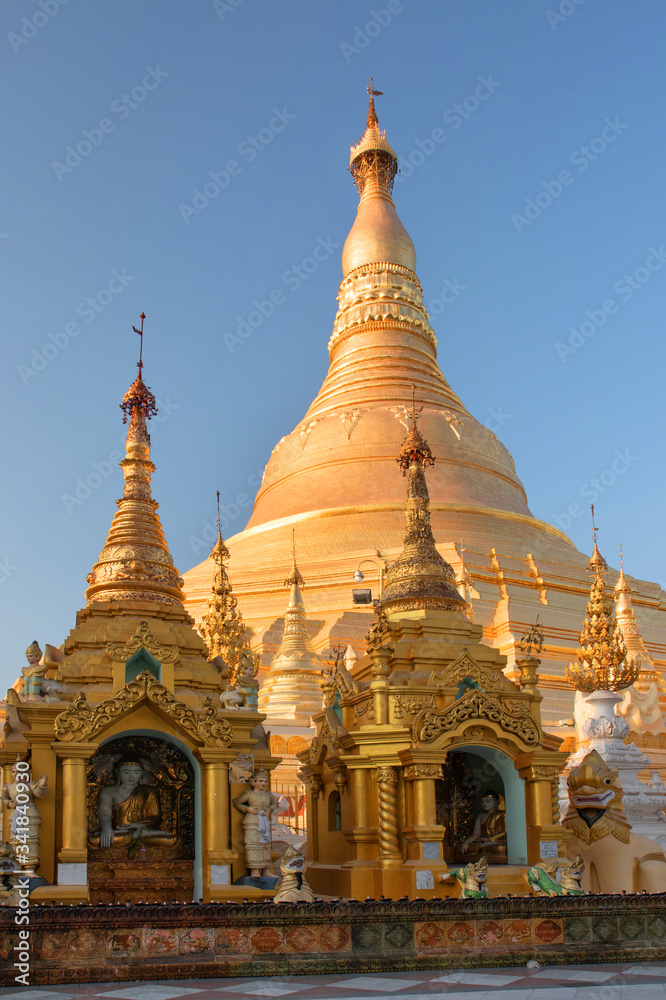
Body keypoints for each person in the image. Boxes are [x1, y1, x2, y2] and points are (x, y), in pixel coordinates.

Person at [88, 757, 179, 853]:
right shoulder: (108, 791)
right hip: (118, 833)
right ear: (117, 772)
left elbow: (155, 817)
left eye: (136, 772)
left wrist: (139, 825)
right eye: (126, 772)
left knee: (174, 840)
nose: (131, 777)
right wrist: (106, 828)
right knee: (94, 841)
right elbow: (105, 813)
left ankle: (135, 837)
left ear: (142, 773)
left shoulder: (150, 791)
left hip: (143, 833)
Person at [233, 768, 281, 878]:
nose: (263, 783)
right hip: (252, 822)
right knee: (253, 845)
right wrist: (248, 809)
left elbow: (275, 804)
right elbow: (237, 802)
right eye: (260, 781)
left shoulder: (268, 794)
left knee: (265, 845)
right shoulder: (249, 794)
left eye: (265, 781)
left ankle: (266, 870)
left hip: (264, 820)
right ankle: (254, 870)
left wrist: (270, 809)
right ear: (254, 782)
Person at [460, 789, 507, 860]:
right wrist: (466, 842)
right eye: (482, 802)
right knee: (461, 848)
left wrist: (488, 839)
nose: (485, 804)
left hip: (497, 842)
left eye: (488, 801)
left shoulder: (502, 814)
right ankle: (482, 846)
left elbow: (505, 833)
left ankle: (485, 846)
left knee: (500, 848)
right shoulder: (480, 816)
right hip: (482, 842)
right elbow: (476, 834)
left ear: (496, 802)